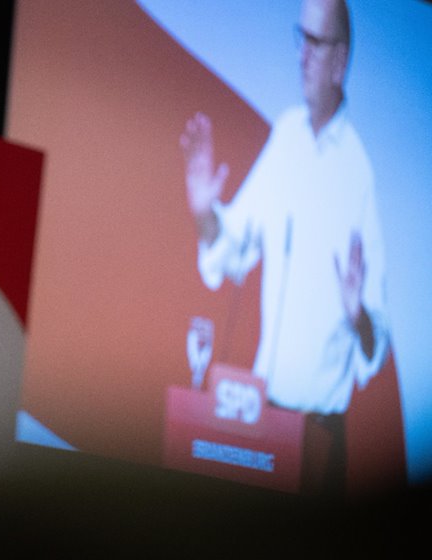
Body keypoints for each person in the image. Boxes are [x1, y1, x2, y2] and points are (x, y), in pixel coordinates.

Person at [179, 0, 389, 495]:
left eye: (314, 44)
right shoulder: (287, 137)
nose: (301, 56)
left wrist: (356, 313)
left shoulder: (358, 173)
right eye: (300, 39)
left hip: (316, 438)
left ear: (341, 60)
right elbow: (234, 251)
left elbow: (375, 337)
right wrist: (204, 214)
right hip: (257, 421)